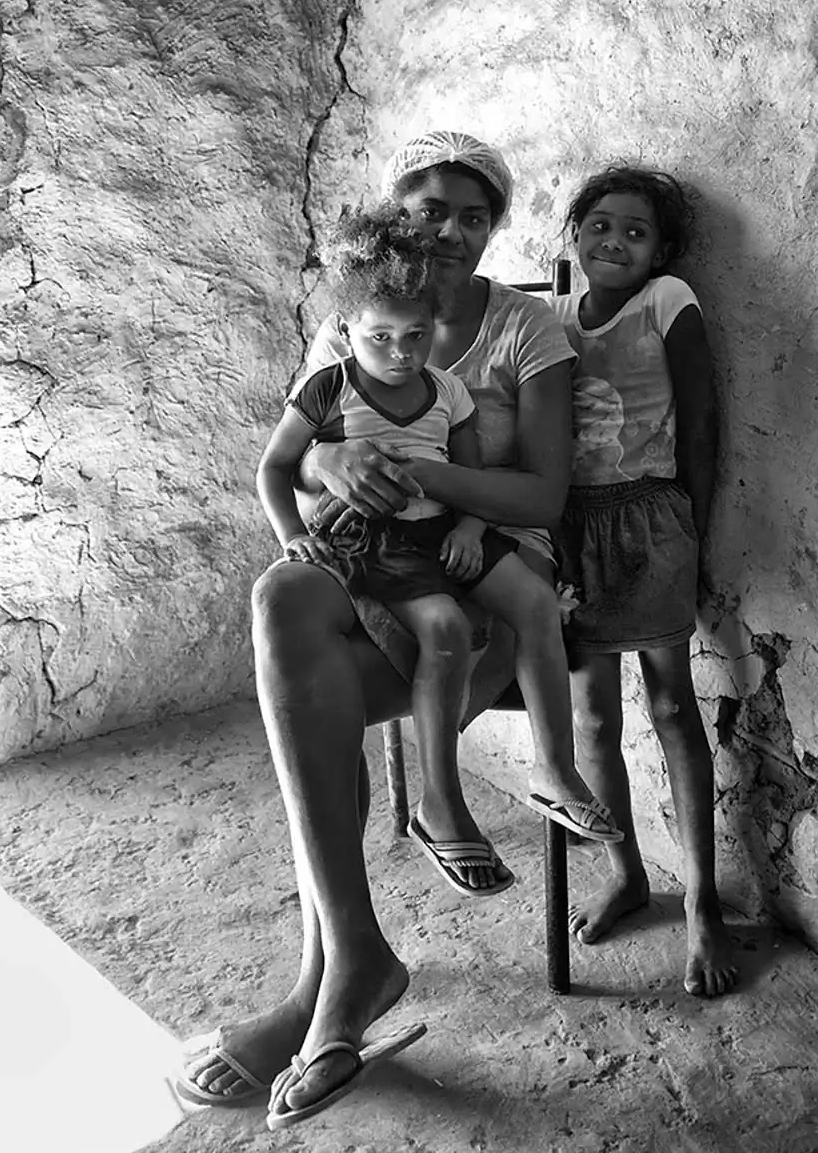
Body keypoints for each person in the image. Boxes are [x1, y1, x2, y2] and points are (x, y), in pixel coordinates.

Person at [176, 131, 581, 1123]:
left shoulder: (525, 330)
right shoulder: (351, 323)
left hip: (480, 570)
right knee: (280, 598)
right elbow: (302, 455)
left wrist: (428, 478)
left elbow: (542, 492)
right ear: (391, 219)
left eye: (474, 214)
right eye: (431, 207)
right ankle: (349, 962)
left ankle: (329, 980)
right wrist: (330, 472)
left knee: (305, 701)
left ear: (493, 232)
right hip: (364, 561)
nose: (451, 228)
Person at [257, 209, 621, 903]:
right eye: (379, 338)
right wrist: (291, 534)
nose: (399, 352)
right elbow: (276, 468)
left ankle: (554, 768)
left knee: (536, 603)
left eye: (416, 336)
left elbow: (475, 470)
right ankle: (438, 806)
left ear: (434, 320)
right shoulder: (328, 386)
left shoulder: (449, 389)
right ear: (347, 328)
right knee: (443, 630)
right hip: (377, 544)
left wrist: (471, 528)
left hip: (443, 532)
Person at [553, 164, 738, 998]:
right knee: (592, 718)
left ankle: (702, 900)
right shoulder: (551, 319)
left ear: (662, 249)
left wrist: (693, 529)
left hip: (654, 521)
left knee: (671, 706)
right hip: (572, 528)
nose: (615, 242)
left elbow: (700, 419)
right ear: (575, 236)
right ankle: (627, 872)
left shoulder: (669, 300)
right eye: (599, 225)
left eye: (635, 231)